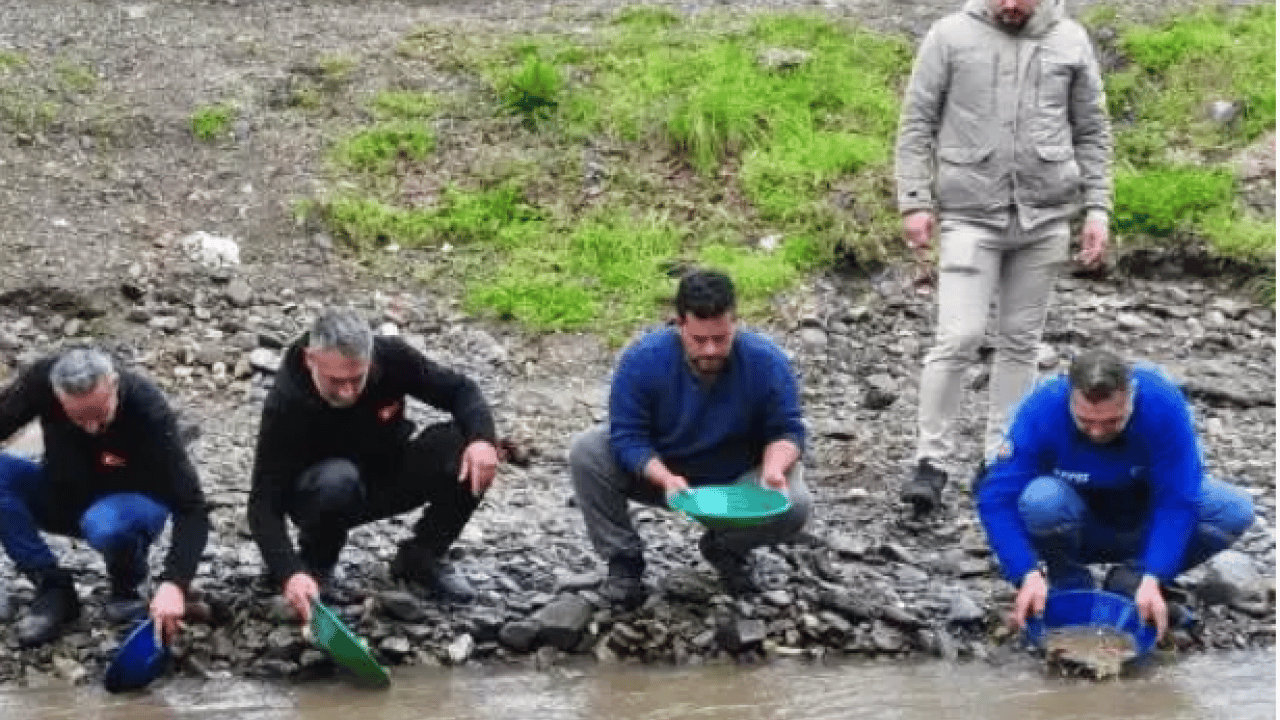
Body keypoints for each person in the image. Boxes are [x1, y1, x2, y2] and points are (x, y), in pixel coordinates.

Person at [894, 0, 1113, 516]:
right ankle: (931, 461)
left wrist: (1098, 208)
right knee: (959, 337)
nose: (1011, 5)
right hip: (970, 213)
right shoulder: (948, 35)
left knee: (1021, 342)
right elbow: (916, 121)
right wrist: (915, 201)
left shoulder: (1071, 40)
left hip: (1045, 218)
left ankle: (1000, 457)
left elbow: (1093, 131)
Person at [569, 270, 812, 607]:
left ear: (734, 323)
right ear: (679, 324)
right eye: (699, 340)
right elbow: (628, 437)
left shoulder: (765, 360)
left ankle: (726, 548)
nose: (711, 349)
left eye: (721, 338)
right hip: (667, 474)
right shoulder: (643, 360)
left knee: (796, 504)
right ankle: (623, 563)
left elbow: (787, 430)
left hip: (738, 483)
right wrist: (665, 477)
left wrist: (774, 469)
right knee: (588, 450)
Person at [975, 350, 1255, 639]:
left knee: (1234, 510)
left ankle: (1132, 580)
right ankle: (1068, 582)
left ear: (1131, 396)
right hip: (1072, 524)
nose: (1097, 432)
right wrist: (1025, 573)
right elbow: (996, 498)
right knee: (1040, 498)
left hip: (1142, 519)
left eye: (1112, 421)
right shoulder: (1043, 408)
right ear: (1070, 397)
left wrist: (1155, 573)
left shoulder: (1163, 404)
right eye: (1085, 421)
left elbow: (1177, 499)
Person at [248, 308, 500, 625]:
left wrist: (482, 440)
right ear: (311, 359)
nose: (348, 392)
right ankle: (315, 567)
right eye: (336, 381)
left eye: (357, 379)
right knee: (337, 480)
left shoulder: (392, 357)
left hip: (384, 472)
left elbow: (461, 391)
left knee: (468, 447)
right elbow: (262, 504)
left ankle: (421, 558)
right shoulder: (285, 403)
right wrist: (288, 572)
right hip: (320, 494)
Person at [0, 347, 209, 647]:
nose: (91, 428)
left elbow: (192, 507)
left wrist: (175, 583)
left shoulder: (146, 407)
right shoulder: (40, 383)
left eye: (99, 415)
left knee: (106, 524)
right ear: (56, 395)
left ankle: (127, 585)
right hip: (63, 494)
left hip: (128, 507)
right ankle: (53, 587)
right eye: (77, 417)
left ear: (113, 385)